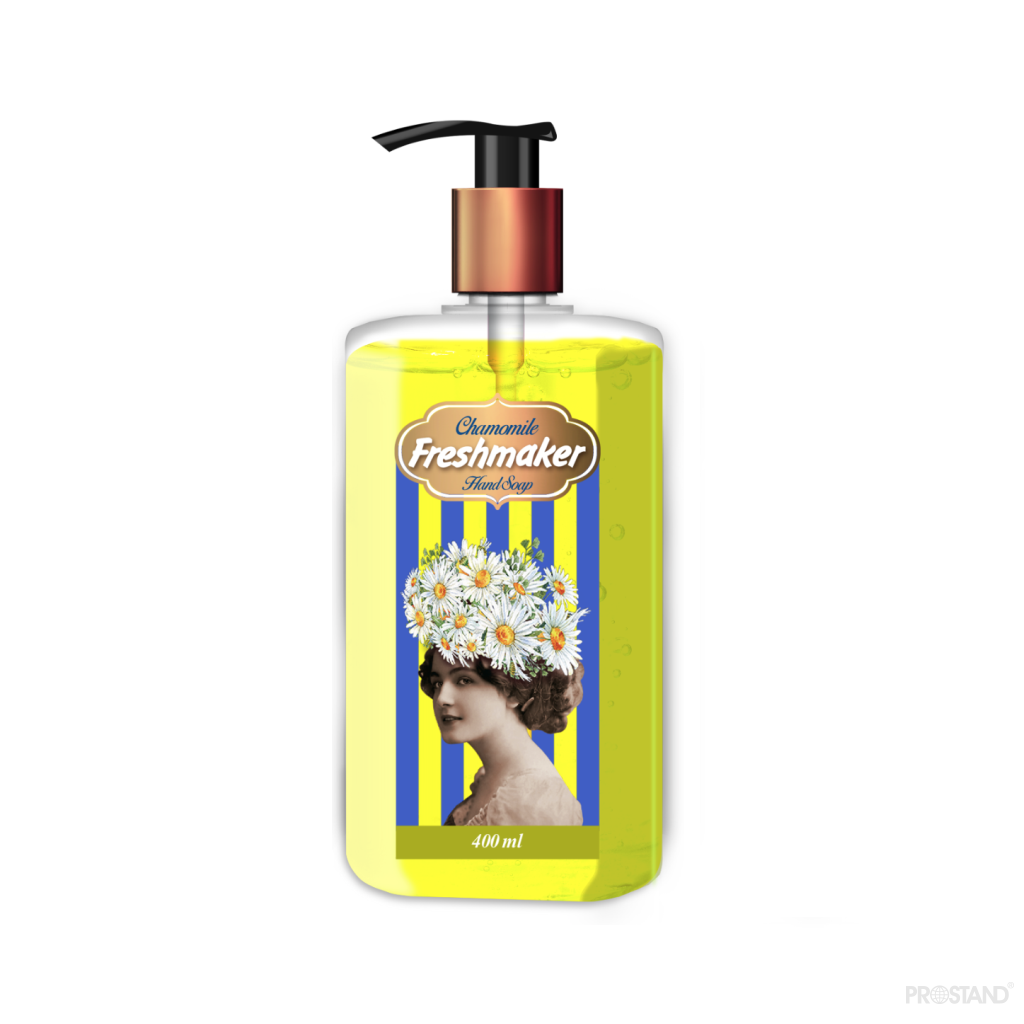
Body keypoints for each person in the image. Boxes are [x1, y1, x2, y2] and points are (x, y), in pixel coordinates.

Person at [419, 648, 584, 826]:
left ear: (513, 690)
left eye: (464, 680)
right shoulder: (491, 778)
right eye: (437, 683)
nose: (441, 698)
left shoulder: (534, 803)